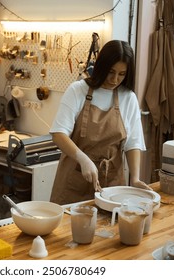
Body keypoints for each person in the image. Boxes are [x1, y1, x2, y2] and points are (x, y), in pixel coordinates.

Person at [50, 40, 151, 205]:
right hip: (74, 179)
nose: (114, 79)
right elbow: (58, 134)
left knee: (109, 227)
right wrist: (83, 159)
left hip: (112, 183)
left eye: (122, 74)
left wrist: (135, 178)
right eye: (111, 72)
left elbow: (133, 143)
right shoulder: (78, 90)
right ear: (101, 66)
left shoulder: (128, 97)